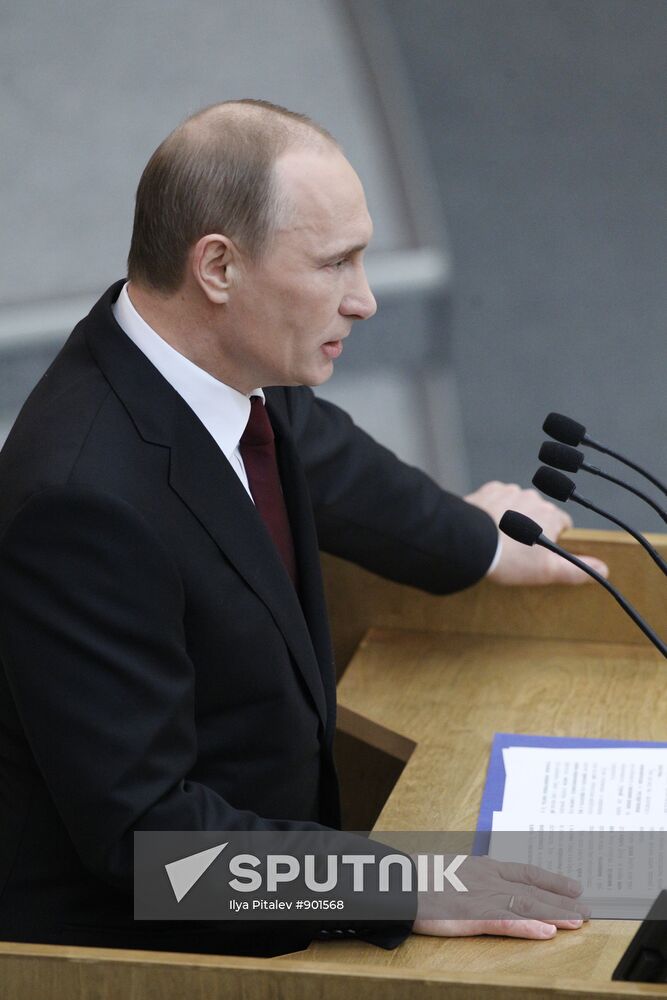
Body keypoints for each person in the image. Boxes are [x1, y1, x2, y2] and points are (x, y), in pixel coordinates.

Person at [0, 100, 602, 955]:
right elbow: (148, 845)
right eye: (333, 264)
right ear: (217, 266)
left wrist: (479, 544)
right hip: (146, 955)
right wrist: (399, 883)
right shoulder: (81, 501)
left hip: (278, 858)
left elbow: (321, 457)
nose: (363, 301)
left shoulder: (216, 365)